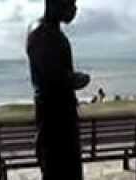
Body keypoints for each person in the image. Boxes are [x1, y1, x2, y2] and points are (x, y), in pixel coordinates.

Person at [26, 0, 87, 179]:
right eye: (71, 3)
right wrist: (77, 79)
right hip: (55, 123)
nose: (75, 9)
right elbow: (54, 78)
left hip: (61, 118)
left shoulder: (51, 32)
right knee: (60, 172)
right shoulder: (42, 34)